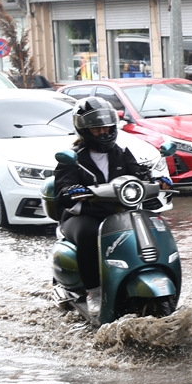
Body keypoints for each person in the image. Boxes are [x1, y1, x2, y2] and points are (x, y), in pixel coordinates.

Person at [54, 96, 170, 301]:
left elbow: (138, 175)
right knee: (89, 234)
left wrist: (157, 181)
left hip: (119, 213)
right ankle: (93, 291)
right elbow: (62, 188)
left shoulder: (122, 153)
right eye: (97, 129)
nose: (104, 132)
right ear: (83, 129)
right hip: (85, 216)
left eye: (107, 127)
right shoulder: (72, 158)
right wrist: (72, 190)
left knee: (153, 225)